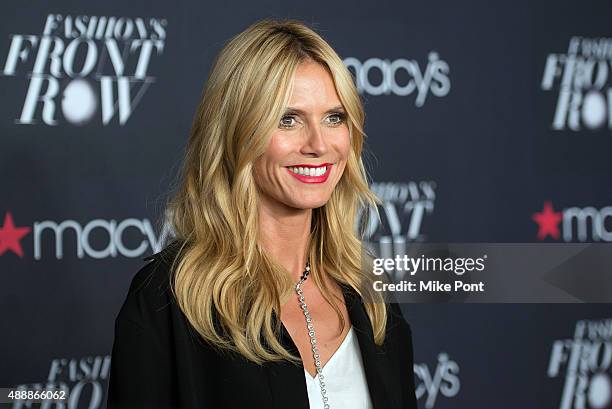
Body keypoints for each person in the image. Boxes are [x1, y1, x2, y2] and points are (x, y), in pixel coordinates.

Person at [106, 18, 417, 409]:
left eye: (334, 117)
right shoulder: (169, 299)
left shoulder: (371, 296)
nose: (318, 144)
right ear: (236, 132)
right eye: (287, 119)